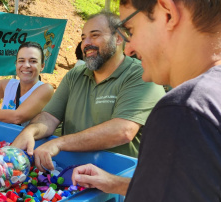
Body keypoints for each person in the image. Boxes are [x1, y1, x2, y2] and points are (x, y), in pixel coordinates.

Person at [73, 0, 221, 202]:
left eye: (130, 30)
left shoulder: (184, 111)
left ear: (168, 14)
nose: (129, 49)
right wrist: (114, 183)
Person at [12, 11, 165, 173]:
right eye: (83, 38)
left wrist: (59, 143)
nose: (86, 43)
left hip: (121, 182)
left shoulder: (141, 75)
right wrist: (31, 131)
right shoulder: (75, 75)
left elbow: (123, 130)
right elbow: (49, 117)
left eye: (95, 35)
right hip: (70, 175)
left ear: (119, 38)